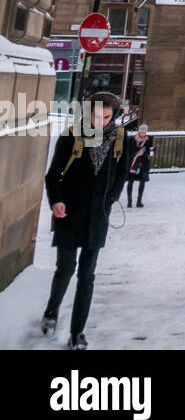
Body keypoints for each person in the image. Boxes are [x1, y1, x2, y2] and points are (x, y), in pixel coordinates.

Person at [41, 92, 130, 349]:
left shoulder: (121, 139)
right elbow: (52, 175)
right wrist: (56, 201)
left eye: (106, 117)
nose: (101, 121)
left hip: (98, 216)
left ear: (114, 116)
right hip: (69, 213)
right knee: (66, 267)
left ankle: (77, 333)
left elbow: (122, 174)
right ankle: (51, 312)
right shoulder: (71, 136)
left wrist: (111, 199)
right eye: (96, 116)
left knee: (87, 275)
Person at [124, 123, 154, 207]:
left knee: (142, 181)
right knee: (130, 181)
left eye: (144, 132)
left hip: (143, 163)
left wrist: (152, 150)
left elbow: (150, 153)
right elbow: (128, 151)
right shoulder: (132, 139)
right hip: (133, 163)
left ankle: (139, 202)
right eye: (141, 131)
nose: (142, 133)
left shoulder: (149, 140)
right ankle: (129, 202)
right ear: (138, 131)